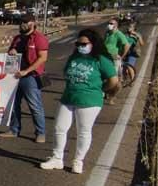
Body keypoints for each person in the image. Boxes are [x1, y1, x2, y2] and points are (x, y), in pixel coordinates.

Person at [40, 29, 119, 175]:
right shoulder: (74, 57)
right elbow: (67, 73)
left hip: (90, 100)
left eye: (83, 44)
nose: (80, 46)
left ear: (93, 43)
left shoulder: (101, 59)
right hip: (68, 97)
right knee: (59, 128)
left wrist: (102, 90)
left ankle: (78, 161)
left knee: (83, 131)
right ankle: (57, 158)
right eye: (78, 43)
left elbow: (113, 80)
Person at [0, 14, 48, 142]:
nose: (22, 25)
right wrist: (12, 52)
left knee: (34, 105)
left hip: (31, 77)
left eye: (25, 22)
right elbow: (10, 55)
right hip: (15, 76)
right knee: (14, 105)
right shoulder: (17, 38)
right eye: (21, 22)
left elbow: (42, 57)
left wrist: (26, 71)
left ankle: (40, 132)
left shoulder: (39, 38)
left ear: (33, 23)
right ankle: (14, 129)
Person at [121, 20, 143, 86]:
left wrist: (138, 37)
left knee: (129, 66)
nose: (128, 28)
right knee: (124, 67)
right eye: (128, 27)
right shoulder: (125, 34)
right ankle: (125, 79)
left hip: (132, 54)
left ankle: (132, 80)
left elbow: (142, 44)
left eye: (130, 27)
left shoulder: (137, 35)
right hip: (125, 53)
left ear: (134, 28)